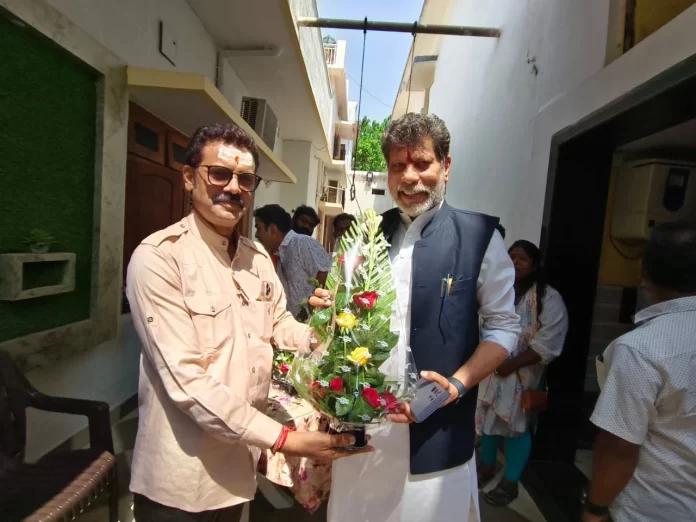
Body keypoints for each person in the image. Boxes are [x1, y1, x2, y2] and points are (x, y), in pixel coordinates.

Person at [126, 123, 370, 522]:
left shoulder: (256, 258)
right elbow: (187, 382)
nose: (234, 187)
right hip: (181, 476)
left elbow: (279, 323)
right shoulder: (159, 259)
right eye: (219, 174)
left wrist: (328, 331)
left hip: (238, 467)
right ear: (189, 177)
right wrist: (285, 439)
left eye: (245, 179)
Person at [323, 113, 521, 522]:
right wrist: (328, 310)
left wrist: (457, 385)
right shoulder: (364, 237)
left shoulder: (479, 238)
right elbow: (341, 319)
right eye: (398, 165)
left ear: (446, 166)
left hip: (438, 433)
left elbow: (504, 328)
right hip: (364, 430)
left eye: (421, 163)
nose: (409, 177)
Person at [583, 221, 696, 522]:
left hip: (655, 508)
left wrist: (595, 509)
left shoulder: (642, 349)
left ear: (643, 270)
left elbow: (619, 446)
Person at [476, 240, 568, 506]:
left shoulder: (548, 298)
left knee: (517, 426)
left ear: (534, 265)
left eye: (523, 259)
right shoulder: (498, 289)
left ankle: (511, 482)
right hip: (490, 370)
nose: (515, 262)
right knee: (488, 418)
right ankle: (486, 467)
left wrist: (511, 364)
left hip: (522, 374)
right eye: (512, 257)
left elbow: (549, 340)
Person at [254, 204, 332, 320]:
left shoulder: (303, 243)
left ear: (272, 229)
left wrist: (315, 312)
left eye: (258, 228)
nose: (256, 234)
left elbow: (327, 276)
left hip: (312, 323)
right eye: (303, 221)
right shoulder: (278, 252)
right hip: (292, 324)